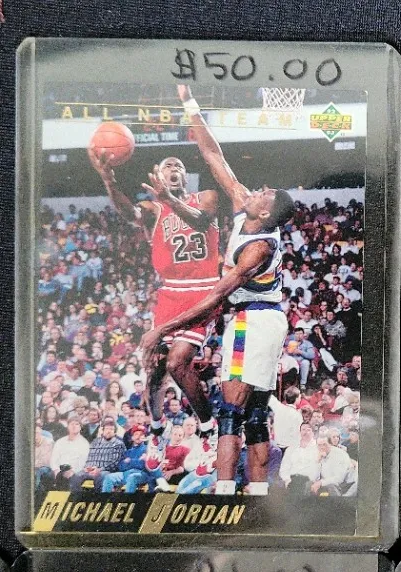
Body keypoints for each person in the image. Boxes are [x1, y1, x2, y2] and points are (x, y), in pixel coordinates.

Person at [140, 84, 295, 497]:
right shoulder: (246, 206)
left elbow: (214, 298)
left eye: (265, 193)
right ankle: (257, 494)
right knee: (255, 413)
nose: (259, 188)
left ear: (266, 211)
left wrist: (161, 329)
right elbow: (214, 155)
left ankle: (223, 490)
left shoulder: (258, 248)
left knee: (231, 410)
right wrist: (189, 103)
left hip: (254, 320)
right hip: (261, 319)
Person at [89, 136, 220, 433]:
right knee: (156, 370)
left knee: (177, 363)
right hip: (170, 292)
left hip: (203, 290)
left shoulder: (206, 197)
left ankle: (207, 428)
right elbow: (130, 214)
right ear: (158, 176)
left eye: (178, 166)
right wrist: (109, 181)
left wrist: (169, 199)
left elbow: (201, 221)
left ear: (185, 176)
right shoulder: (153, 209)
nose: (173, 169)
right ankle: (158, 429)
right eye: (167, 166)